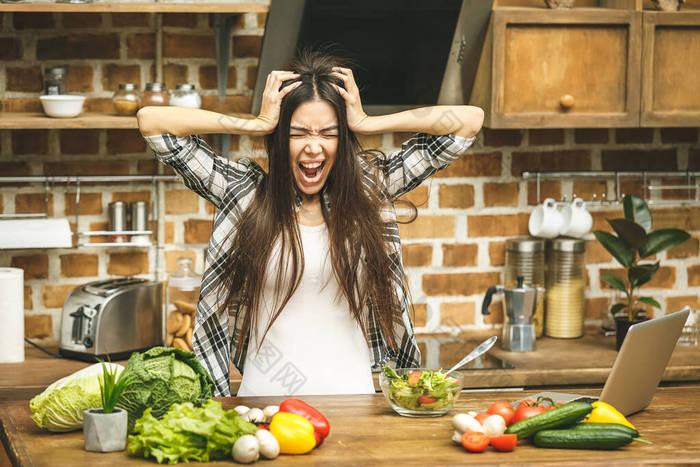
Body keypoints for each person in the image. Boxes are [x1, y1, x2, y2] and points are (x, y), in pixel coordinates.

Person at [137, 50, 484, 397]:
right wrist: (256, 123)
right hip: (266, 407)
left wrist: (368, 122)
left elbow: (467, 121)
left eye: (329, 133)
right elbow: (153, 121)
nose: (313, 147)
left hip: (355, 406)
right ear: (279, 135)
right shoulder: (245, 194)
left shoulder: (370, 190)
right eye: (298, 132)